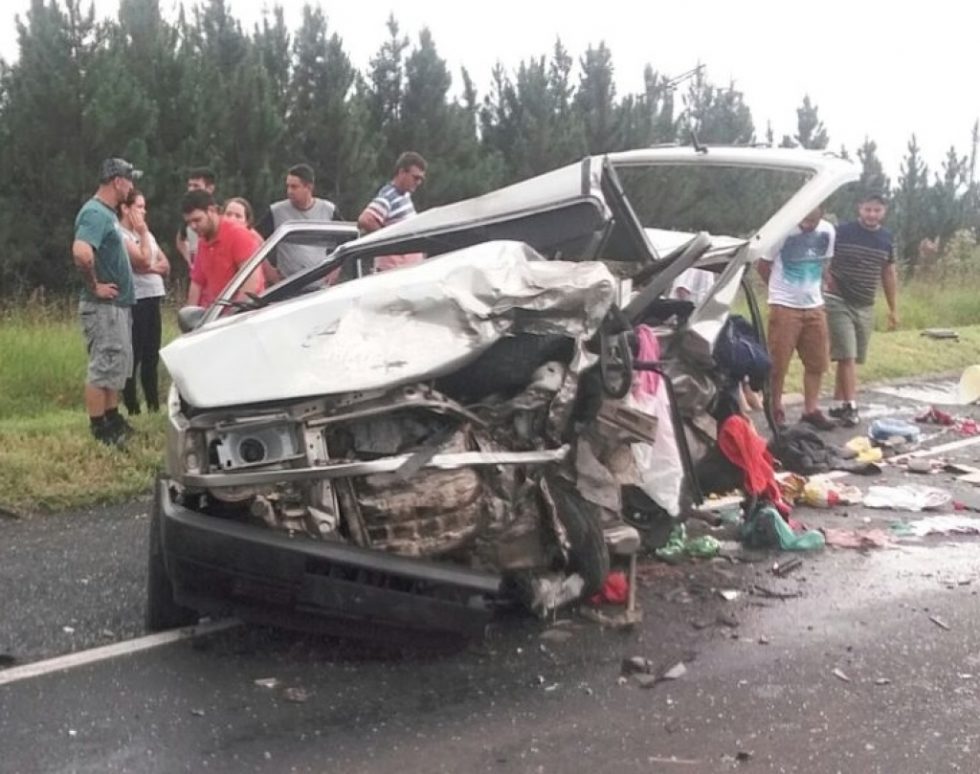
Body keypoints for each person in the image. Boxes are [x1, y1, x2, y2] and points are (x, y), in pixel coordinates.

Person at [71, 158, 142, 446]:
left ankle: (113, 418)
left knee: (116, 365)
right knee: (103, 365)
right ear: (117, 181)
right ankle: (99, 428)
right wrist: (95, 285)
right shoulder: (95, 213)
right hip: (103, 308)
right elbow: (81, 252)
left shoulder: (106, 213)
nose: (132, 186)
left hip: (117, 307)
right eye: (129, 179)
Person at [757, 206, 836, 430]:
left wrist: (821, 286)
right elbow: (763, 264)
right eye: (803, 220)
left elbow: (825, 262)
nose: (806, 225)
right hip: (784, 306)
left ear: (821, 216)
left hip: (814, 305)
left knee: (817, 361)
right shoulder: (783, 230)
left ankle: (810, 409)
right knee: (778, 362)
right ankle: (775, 408)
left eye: (811, 221)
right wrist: (778, 291)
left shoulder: (828, 231)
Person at [825, 193, 898, 428]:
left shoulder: (886, 239)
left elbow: (888, 272)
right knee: (847, 354)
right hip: (838, 299)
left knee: (853, 357)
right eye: (868, 209)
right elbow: (823, 258)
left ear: (883, 212)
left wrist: (892, 308)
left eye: (876, 210)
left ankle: (837, 403)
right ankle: (851, 405)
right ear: (860, 208)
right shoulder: (842, 231)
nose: (871, 214)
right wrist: (827, 279)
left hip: (865, 303)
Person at [118, 189, 168, 415]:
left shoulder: (148, 235)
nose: (143, 211)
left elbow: (164, 264)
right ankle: (132, 406)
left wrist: (151, 266)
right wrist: (143, 236)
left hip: (153, 296)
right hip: (136, 300)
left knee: (151, 354)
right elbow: (141, 261)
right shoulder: (123, 234)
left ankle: (154, 405)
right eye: (138, 206)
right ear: (125, 209)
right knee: (134, 354)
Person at [257, 164, 341, 281]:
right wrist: (269, 270)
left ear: (309, 187)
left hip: (319, 286)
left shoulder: (328, 210)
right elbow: (254, 239)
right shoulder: (276, 212)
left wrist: (335, 271)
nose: (289, 191)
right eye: (288, 186)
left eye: (294, 187)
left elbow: (347, 242)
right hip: (286, 285)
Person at [184, 190, 262, 308]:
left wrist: (233, 315)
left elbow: (251, 282)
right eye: (189, 222)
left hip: (239, 314)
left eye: (197, 220)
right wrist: (190, 314)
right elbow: (197, 282)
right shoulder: (203, 240)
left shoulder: (238, 234)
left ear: (211, 211)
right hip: (213, 314)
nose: (193, 226)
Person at [357, 151, 427, 272]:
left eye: (421, 179)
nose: (418, 182)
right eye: (415, 178)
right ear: (401, 172)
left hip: (407, 269)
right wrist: (389, 241)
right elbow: (365, 219)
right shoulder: (389, 196)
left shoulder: (405, 195)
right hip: (394, 271)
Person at [175, 167, 216, 269]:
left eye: (196, 186)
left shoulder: (219, 211)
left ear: (210, 188)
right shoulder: (189, 212)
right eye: (189, 185)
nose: (191, 189)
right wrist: (190, 260)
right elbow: (180, 239)